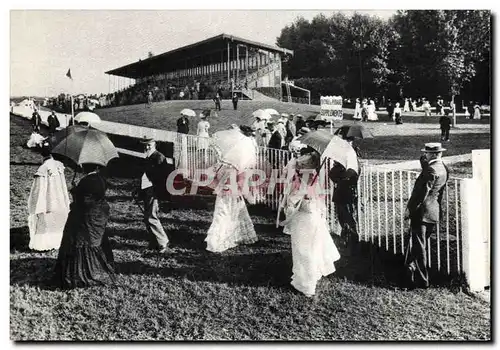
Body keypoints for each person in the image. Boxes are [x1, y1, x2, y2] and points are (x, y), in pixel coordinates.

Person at [280, 149, 340, 297]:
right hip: (313, 216)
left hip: (304, 218)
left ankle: (307, 282)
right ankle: (310, 277)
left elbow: (292, 200)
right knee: (311, 249)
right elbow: (320, 199)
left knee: (303, 250)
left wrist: (298, 196)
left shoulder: (301, 181)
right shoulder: (312, 179)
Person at [52, 163, 116, 289]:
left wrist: (74, 191)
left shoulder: (88, 180)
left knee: (79, 240)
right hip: (98, 214)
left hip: (86, 217)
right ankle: (99, 266)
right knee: (96, 240)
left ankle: (82, 274)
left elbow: (84, 202)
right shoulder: (100, 178)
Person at [205, 127, 258, 253]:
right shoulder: (242, 166)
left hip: (224, 193)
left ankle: (230, 237)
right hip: (233, 194)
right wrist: (250, 197)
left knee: (225, 215)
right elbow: (242, 184)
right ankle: (219, 241)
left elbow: (210, 178)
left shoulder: (222, 164)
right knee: (229, 215)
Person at [404, 143, 449, 289]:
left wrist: (409, 210)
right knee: (419, 245)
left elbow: (421, 194)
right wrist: (424, 163)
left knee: (418, 247)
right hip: (433, 211)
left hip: (421, 212)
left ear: (433, 155)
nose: (425, 155)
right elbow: (430, 179)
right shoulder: (443, 168)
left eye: (427, 153)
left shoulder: (430, 170)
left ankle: (422, 281)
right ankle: (408, 271)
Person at [27, 140, 70, 251]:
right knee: (57, 219)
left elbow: (38, 190)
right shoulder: (59, 165)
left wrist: (35, 204)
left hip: (48, 200)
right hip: (59, 198)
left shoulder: (43, 168)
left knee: (45, 219)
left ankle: (44, 244)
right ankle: (57, 241)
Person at [136, 137, 172, 252]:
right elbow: (144, 175)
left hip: (153, 191)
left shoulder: (159, 157)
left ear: (154, 144)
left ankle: (163, 242)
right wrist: (139, 188)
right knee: (147, 217)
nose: (146, 147)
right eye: (145, 145)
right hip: (147, 189)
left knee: (151, 217)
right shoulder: (148, 157)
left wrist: (157, 192)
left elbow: (163, 178)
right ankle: (154, 242)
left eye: (149, 145)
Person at [328, 139, 360, 254]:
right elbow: (332, 175)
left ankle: (353, 242)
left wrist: (341, 175)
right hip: (341, 194)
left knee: (349, 218)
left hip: (347, 194)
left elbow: (347, 177)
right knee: (342, 217)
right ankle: (346, 239)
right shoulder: (340, 165)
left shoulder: (351, 166)